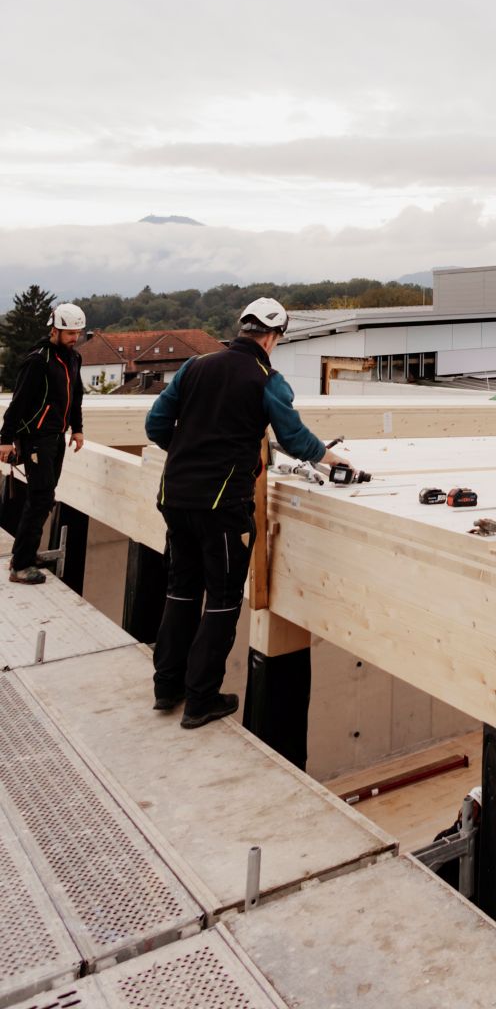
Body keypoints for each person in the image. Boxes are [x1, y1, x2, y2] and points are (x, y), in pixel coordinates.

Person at [145, 295, 338, 729]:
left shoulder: (195, 367)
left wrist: (189, 454)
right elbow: (292, 438)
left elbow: (156, 424)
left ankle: (166, 686)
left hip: (174, 497)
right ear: (272, 337)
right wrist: (327, 456)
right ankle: (200, 700)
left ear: (243, 329)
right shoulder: (266, 378)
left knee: (181, 589)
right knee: (223, 599)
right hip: (222, 507)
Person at [0, 303, 86, 585]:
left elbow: (76, 396)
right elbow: (19, 402)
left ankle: (24, 554)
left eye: (78, 332)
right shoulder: (38, 359)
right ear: (55, 330)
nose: (74, 337)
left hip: (56, 437)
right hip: (36, 439)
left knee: (45, 496)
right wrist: (5, 440)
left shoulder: (74, 359)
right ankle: (20, 566)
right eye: (69, 332)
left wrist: (78, 429)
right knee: (40, 498)